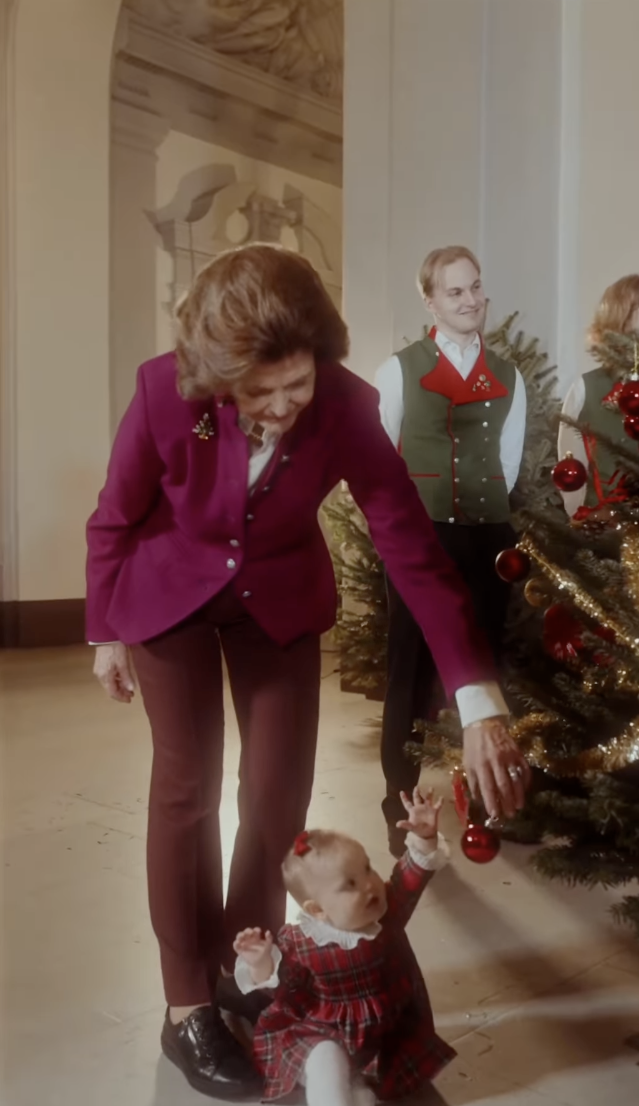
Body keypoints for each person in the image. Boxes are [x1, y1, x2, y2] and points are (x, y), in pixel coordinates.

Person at [86, 245, 529, 1100]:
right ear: (218, 374)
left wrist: (477, 700)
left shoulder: (345, 404)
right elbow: (116, 515)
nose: (285, 408)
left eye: (298, 386)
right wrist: (107, 627)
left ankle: (241, 975)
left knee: (277, 793)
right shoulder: (160, 390)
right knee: (186, 789)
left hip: (278, 598)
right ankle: (187, 1007)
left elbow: (411, 548)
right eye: (261, 394)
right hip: (169, 593)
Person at [375, 245, 527, 855]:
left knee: (484, 668)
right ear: (430, 301)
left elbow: (509, 463)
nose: (471, 301)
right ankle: (399, 802)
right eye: (456, 292)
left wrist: (482, 513)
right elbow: (381, 460)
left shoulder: (509, 376)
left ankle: (485, 803)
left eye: (476, 288)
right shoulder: (400, 369)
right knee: (408, 672)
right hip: (421, 536)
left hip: (488, 534)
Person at [233, 787, 453, 1105]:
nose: (368, 885)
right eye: (349, 885)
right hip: (318, 1032)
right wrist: (261, 964)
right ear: (317, 910)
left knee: (370, 1080)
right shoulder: (300, 943)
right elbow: (285, 993)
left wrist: (424, 837)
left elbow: (410, 876)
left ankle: (359, 1088)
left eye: (366, 868)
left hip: (379, 1031)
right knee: (327, 1062)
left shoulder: (385, 912)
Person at [558, 274, 639, 517]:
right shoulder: (586, 387)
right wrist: (583, 524)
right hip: (603, 531)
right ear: (626, 316)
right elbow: (571, 465)